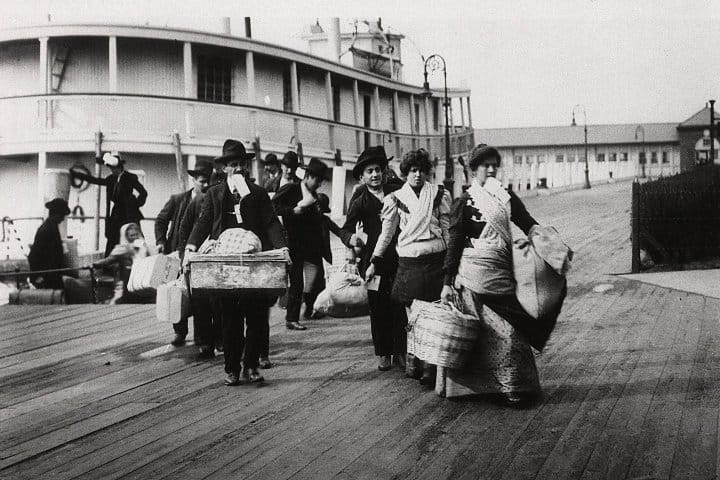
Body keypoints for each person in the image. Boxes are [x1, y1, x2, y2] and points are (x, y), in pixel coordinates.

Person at [440, 145, 550, 407]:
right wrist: (447, 282)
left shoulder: (506, 197)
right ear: (473, 168)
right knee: (479, 336)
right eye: (484, 165)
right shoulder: (463, 202)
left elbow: (527, 222)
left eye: (494, 165)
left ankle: (515, 386)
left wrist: (547, 242)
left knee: (511, 333)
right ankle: (476, 388)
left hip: (501, 273)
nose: (490, 170)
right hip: (474, 275)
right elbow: (455, 244)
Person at [186, 139, 289, 386]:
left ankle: (251, 365)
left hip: (253, 263)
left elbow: (271, 222)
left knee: (256, 318)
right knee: (229, 320)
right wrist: (190, 248)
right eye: (233, 165)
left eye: (242, 164)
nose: (239, 169)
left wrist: (282, 247)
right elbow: (203, 222)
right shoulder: (215, 193)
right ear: (224, 168)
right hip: (225, 264)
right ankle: (231, 367)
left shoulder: (258, 193)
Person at [366, 148, 451, 386]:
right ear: (405, 173)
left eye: (422, 170)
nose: (418, 175)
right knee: (414, 316)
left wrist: (453, 260)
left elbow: (446, 229)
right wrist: (374, 261)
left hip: (435, 261)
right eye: (413, 170)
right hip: (410, 264)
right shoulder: (395, 199)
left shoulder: (438, 194)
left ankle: (431, 367)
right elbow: (386, 234)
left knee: (435, 315)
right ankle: (418, 361)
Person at [341, 146, 407, 372]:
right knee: (378, 308)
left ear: (384, 171)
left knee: (398, 305)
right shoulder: (360, 200)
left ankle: (401, 351)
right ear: (362, 176)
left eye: (378, 170)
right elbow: (345, 229)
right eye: (369, 171)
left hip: (398, 257)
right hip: (372, 264)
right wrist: (353, 240)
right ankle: (383, 353)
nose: (375, 175)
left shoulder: (397, 191)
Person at [156, 158, 213, 349]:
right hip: (177, 253)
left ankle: (201, 339)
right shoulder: (178, 199)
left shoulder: (211, 199)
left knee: (198, 296)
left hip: (200, 255)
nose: (205, 185)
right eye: (201, 181)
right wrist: (161, 242)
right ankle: (179, 332)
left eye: (207, 181)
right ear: (193, 180)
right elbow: (161, 221)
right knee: (176, 291)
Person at [272, 157, 329, 331]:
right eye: (317, 180)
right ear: (309, 176)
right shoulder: (291, 189)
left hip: (310, 245)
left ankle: (309, 309)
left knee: (315, 280)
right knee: (296, 282)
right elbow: (273, 206)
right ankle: (291, 318)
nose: (318, 184)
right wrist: (292, 211)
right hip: (294, 243)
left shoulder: (314, 197)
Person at [70, 152, 147, 256]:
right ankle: (109, 262)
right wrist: (79, 175)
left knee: (135, 236)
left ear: (119, 168)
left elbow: (143, 193)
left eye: (113, 168)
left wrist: (135, 204)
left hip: (130, 213)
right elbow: (96, 180)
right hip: (117, 212)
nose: (112, 171)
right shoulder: (111, 179)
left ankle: (141, 258)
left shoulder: (130, 177)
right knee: (112, 238)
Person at [93, 222, 151, 304]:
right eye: (132, 235)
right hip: (126, 280)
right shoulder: (123, 248)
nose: (135, 237)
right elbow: (110, 259)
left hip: (142, 279)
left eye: (136, 234)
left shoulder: (144, 246)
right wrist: (96, 264)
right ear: (126, 236)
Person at [28, 198, 70, 290]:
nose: (63, 219)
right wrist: (37, 276)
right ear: (55, 214)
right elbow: (33, 255)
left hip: (53, 274)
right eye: (62, 215)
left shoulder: (52, 227)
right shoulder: (46, 230)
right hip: (47, 277)